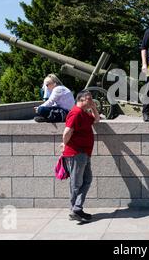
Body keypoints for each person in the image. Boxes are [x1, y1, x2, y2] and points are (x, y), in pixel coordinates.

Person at [60, 90, 100, 223]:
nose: (91, 100)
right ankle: (75, 210)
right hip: (76, 153)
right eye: (89, 99)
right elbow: (67, 131)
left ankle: (76, 208)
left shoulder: (84, 113)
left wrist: (94, 107)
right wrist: (64, 144)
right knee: (76, 183)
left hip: (84, 153)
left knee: (87, 180)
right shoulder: (76, 113)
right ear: (81, 99)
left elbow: (96, 120)